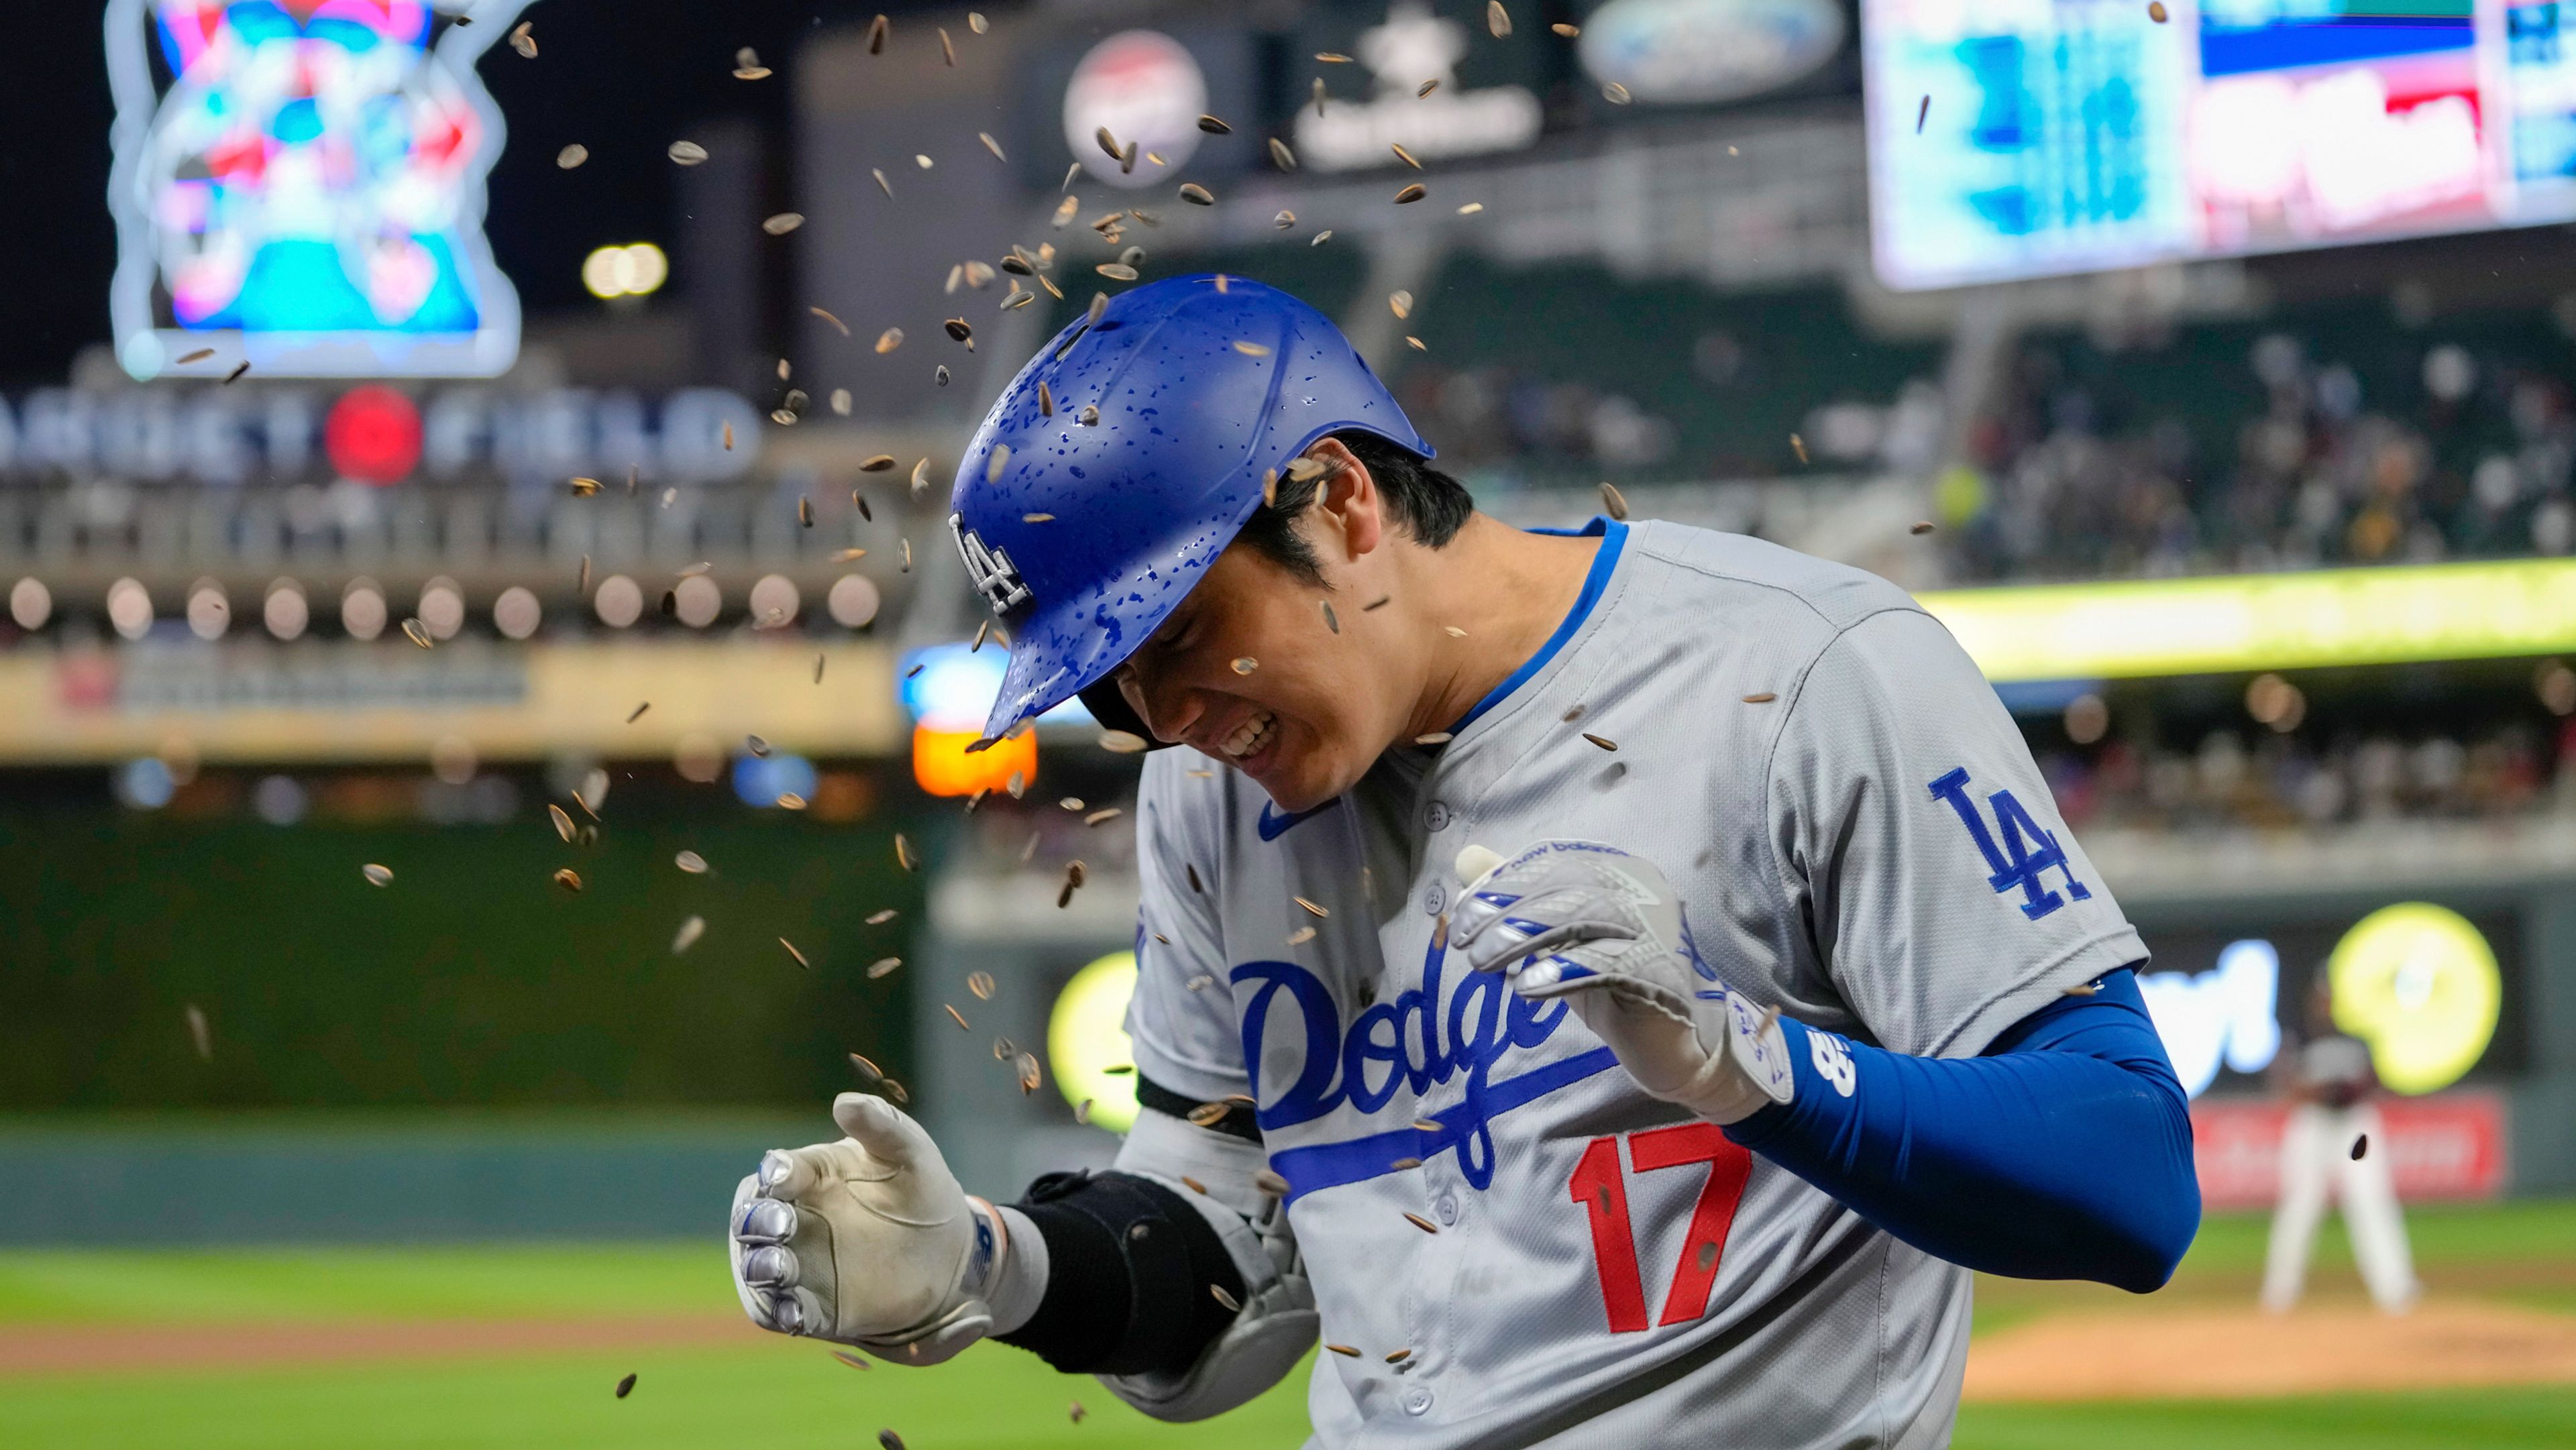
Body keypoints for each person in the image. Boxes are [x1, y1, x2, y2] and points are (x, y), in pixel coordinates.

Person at [727, 276, 2200, 1447]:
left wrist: (1754, 1065)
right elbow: (1232, 1258)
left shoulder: (1806, 672)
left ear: (1342, 504)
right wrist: (999, 1268)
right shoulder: (1211, 798)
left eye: (1172, 637)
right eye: (1108, 687)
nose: (1161, 720)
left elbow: (2130, 1178)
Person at [2259, 972, 2419, 1314]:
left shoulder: (2356, 1039)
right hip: (2313, 1125)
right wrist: (2319, 1091)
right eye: (2319, 998)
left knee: (2372, 1201)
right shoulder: (2297, 1039)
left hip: (2354, 1125)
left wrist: (2348, 1090)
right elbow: (2283, 1084)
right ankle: (2280, 1293)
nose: (2324, 1004)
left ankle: (2396, 1288)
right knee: (2300, 1206)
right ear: (2311, 1003)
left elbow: (2376, 1079)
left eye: (2329, 998)